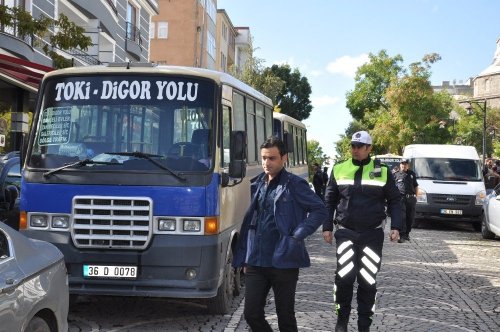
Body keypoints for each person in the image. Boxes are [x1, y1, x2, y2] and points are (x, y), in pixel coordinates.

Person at [233, 136, 327, 332]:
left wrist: (299, 233)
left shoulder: (294, 184)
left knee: (285, 316)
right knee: (251, 314)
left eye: (272, 158)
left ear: (284, 158)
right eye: (264, 158)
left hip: (284, 260)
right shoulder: (257, 183)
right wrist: (246, 257)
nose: (266, 163)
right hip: (256, 262)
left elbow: (320, 209)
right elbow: (254, 221)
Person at [322, 130, 402, 332]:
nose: (355, 150)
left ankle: (364, 325)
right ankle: (342, 321)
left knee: (368, 279)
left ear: (369, 148)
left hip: (372, 234)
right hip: (346, 233)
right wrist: (326, 227)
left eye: (360, 147)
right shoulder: (339, 169)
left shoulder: (382, 171)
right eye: (353, 146)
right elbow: (329, 200)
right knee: (344, 278)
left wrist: (396, 226)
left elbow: (395, 200)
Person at [393, 158, 419, 243]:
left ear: (408, 165)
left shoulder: (412, 174)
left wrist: (416, 196)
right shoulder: (396, 174)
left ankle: (407, 234)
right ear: (400, 165)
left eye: (405, 164)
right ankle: (402, 235)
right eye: (402, 164)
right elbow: (392, 187)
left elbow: (415, 186)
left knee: (410, 217)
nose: (403, 165)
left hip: (411, 198)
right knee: (402, 217)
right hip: (401, 198)